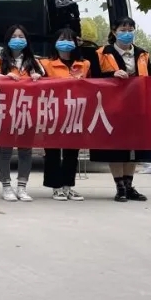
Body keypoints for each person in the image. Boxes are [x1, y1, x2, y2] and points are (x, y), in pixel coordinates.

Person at [92, 18, 151, 202]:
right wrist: (112, 75)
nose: (127, 32)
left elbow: (146, 78)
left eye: (130, 29)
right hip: (112, 107)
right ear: (114, 31)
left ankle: (129, 185)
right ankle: (119, 187)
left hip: (137, 107)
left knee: (134, 146)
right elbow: (93, 78)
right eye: (123, 29)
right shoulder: (102, 53)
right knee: (115, 147)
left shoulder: (142, 54)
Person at [0, 25, 45, 202]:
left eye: (21, 36)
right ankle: (6, 186)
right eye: (14, 36)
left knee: (25, 150)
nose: (18, 40)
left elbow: (45, 80)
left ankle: (22, 187)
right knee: (5, 149)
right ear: (7, 39)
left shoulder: (34, 62)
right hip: (5, 110)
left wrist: (38, 77)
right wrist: (5, 78)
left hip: (28, 110)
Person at [39, 28, 92, 201]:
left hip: (76, 112)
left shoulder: (84, 64)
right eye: (62, 39)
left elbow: (92, 86)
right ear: (55, 42)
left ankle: (68, 186)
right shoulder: (45, 63)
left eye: (70, 39)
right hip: (53, 112)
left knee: (72, 152)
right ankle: (56, 186)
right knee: (52, 151)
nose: (66, 43)